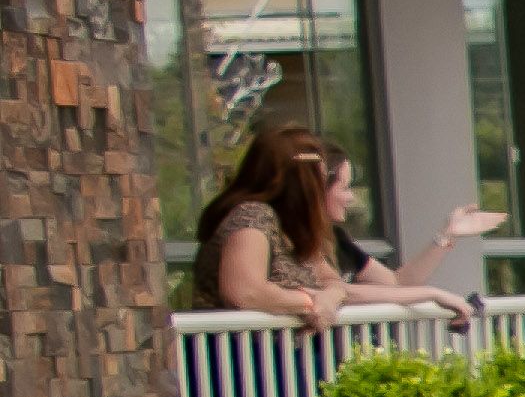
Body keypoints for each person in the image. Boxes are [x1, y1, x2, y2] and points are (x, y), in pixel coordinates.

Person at [189, 125, 494, 331]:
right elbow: (245, 292)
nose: (350, 197)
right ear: (300, 182)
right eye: (320, 180)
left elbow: (335, 286)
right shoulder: (252, 217)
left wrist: (328, 297)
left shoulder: (299, 230)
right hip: (241, 369)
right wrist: (312, 302)